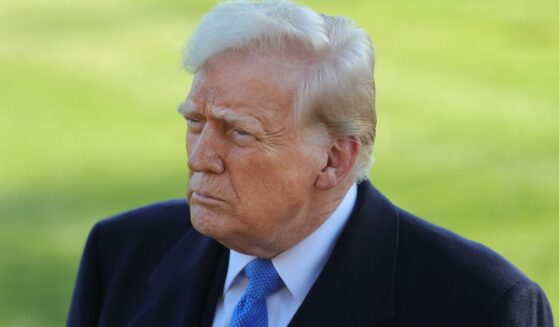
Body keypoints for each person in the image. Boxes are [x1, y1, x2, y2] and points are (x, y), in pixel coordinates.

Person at [67, 1, 554, 326]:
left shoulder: (481, 306)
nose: (200, 159)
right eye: (196, 122)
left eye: (239, 132)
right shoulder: (120, 254)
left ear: (334, 159)